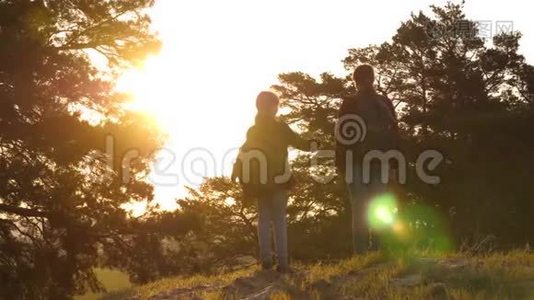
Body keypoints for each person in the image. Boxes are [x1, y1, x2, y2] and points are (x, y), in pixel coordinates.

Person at [232, 91, 314, 273]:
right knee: (279, 220)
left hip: (260, 183)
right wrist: (316, 144)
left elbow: (243, 153)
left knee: (263, 219)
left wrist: (238, 172)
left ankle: (266, 260)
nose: (276, 109)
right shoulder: (281, 128)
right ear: (271, 107)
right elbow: (300, 143)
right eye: (275, 105)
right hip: (280, 180)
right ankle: (283, 264)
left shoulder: (253, 130)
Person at [335, 65, 399, 254]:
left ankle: (361, 253)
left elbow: (341, 135)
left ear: (355, 80)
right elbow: (395, 134)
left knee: (359, 208)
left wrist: (340, 163)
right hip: (382, 160)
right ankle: (379, 249)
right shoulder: (385, 102)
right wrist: (395, 163)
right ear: (372, 78)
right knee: (379, 205)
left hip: (355, 161)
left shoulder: (349, 103)